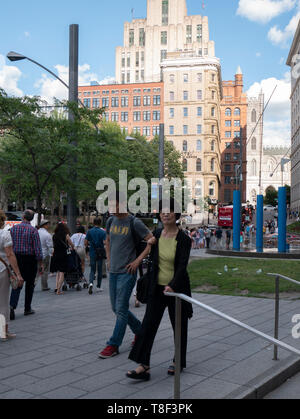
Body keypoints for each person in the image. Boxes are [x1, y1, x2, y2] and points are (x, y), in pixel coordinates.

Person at [126, 198, 193, 381]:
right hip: (156, 288)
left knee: (178, 327)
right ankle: (143, 366)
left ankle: (178, 361)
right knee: (147, 325)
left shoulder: (184, 239)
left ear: (176, 214)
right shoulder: (156, 233)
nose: (165, 213)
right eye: (162, 211)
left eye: (169, 211)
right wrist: (139, 259)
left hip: (176, 290)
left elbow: (182, 266)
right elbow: (148, 247)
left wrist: (173, 284)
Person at [98, 191, 153, 359]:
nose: (110, 208)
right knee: (116, 308)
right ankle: (140, 331)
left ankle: (113, 344)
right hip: (113, 270)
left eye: (114, 204)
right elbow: (107, 240)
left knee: (121, 308)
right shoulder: (110, 220)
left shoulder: (133, 222)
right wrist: (108, 259)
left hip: (127, 272)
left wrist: (137, 262)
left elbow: (151, 241)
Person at [9, 210, 43, 320]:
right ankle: (27, 308)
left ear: (23, 216)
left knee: (17, 282)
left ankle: (12, 306)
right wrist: (40, 263)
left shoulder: (13, 229)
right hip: (30, 259)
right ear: (32, 218)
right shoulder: (33, 231)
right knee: (30, 284)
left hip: (17, 258)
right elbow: (38, 249)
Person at [0, 210, 24, 340]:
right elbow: (10, 255)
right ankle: (3, 331)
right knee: (3, 301)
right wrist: (18, 273)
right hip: (2, 269)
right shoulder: (5, 234)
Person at [51, 223, 74, 295]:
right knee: (62, 272)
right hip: (63, 255)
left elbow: (54, 245)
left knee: (58, 272)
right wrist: (72, 248)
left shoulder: (54, 236)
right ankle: (58, 290)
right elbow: (71, 244)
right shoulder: (66, 235)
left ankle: (56, 287)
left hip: (55, 255)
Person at [85, 218, 106, 294]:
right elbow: (105, 242)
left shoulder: (89, 231)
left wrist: (89, 246)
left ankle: (91, 283)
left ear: (93, 223)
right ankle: (98, 286)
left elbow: (85, 242)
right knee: (99, 270)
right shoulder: (103, 232)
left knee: (92, 269)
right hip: (100, 252)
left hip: (92, 252)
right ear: (100, 223)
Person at [37, 220, 53, 291]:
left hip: (36, 254)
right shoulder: (47, 234)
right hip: (45, 254)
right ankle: (44, 286)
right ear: (45, 225)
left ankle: (33, 284)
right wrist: (51, 254)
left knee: (36, 270)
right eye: (48, 224)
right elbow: (50, 246)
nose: (49, 226)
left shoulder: (36, 232)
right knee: (45, 270)